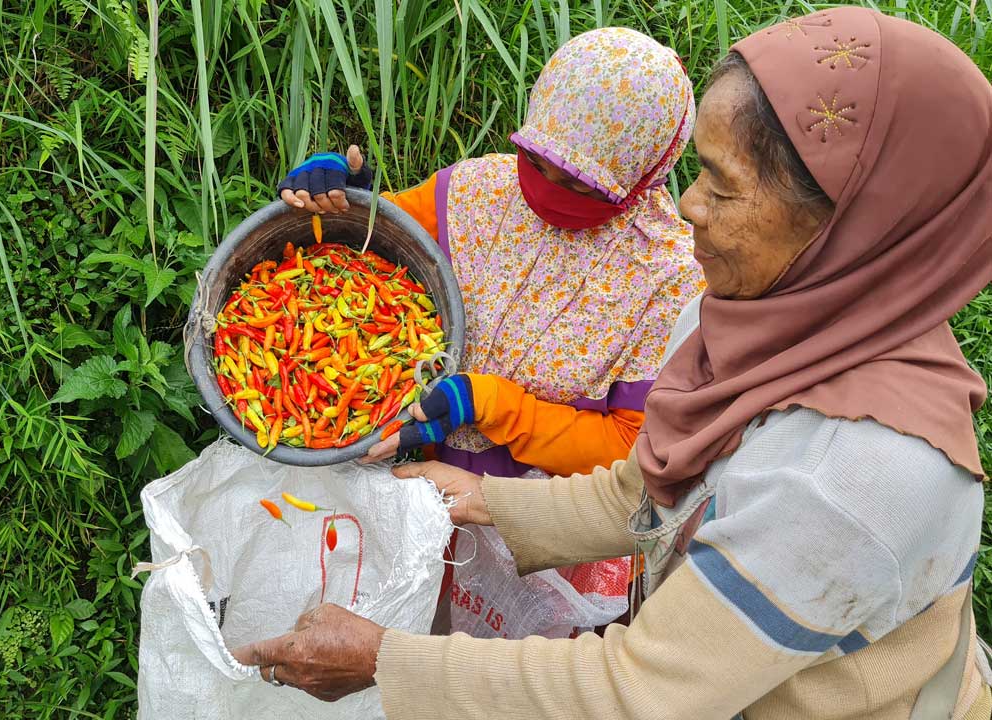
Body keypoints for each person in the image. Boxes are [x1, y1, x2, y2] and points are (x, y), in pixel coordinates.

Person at [234, 7, 992, 718]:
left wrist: (384, 662)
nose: (685, 206)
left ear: (848, 229)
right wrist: (481, 499)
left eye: (722, 188)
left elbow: (640, 693)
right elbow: (649, 486)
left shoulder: (852, 482)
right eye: (696, 171)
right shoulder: (769, 311)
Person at [278, 27, 703, 638]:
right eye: (537, 162)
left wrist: (489, 404)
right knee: (399, 631)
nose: (549, 189)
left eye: (581, 183)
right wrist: (345, 196)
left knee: (506, 668)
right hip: (417, 452)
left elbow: (631, 451)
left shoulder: (667, 278)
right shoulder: (480, 191)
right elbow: (377, 247)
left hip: (546, 513)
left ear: (644, 175)